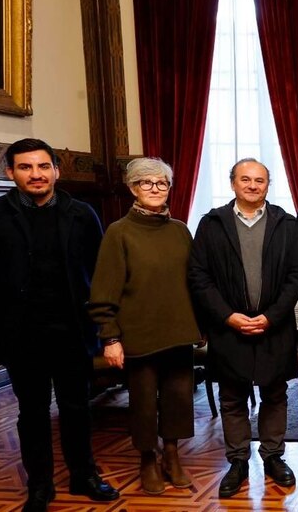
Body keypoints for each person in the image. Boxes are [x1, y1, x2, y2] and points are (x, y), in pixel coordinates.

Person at [0, 138, 119, 512]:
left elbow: (98, 272)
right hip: (21, 335)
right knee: (32, 412)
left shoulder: (82, 214)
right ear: (10, 172)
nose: (36, 174)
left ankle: (84, 475)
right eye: (26, 167)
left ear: (56, 171)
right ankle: (41, 485)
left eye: (43, 166)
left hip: (74, 332)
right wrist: (0, 311)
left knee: (77, 408)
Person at [188, 158, 298, 498]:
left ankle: (272, 457)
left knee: (274, 394)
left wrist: (272, 315)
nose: (253, 185)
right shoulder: (212, 224)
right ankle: (237, 460)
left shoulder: (286, 224)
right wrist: (227, 315)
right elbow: (199, 275)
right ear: (233, 183)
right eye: (246, 179)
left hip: (275, 325)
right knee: (232, 397)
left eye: (260, 180)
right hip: (229, 327)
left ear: (268, 185)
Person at [88, 158, 201, 495]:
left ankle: (172, 454)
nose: (155, 189)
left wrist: (201, 324)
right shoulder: (119, 232)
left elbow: (194, 282)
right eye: (146, 183)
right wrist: (110, 337)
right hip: (138, 336)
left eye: (161, 183)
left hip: (179, 333)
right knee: (143, 403)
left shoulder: (180, 230)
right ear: (133, 188)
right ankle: (147, 460)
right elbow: (103, 291)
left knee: (179, 398)